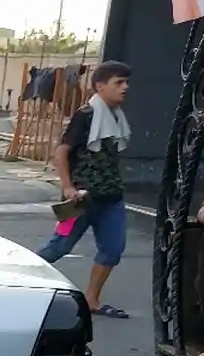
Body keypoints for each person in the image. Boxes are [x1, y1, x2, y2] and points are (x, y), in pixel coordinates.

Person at [36, 60, 133, 319]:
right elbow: (62, 151)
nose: (125, 87)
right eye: (119, 82)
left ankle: (92, 299)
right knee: (58, 248)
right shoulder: (86, 115)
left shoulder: (116, 117)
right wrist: (67, 187)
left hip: (111, 199)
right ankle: (14, 283)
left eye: (126, 82)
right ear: (100, 86)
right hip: (78, 201)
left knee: (113, 249)